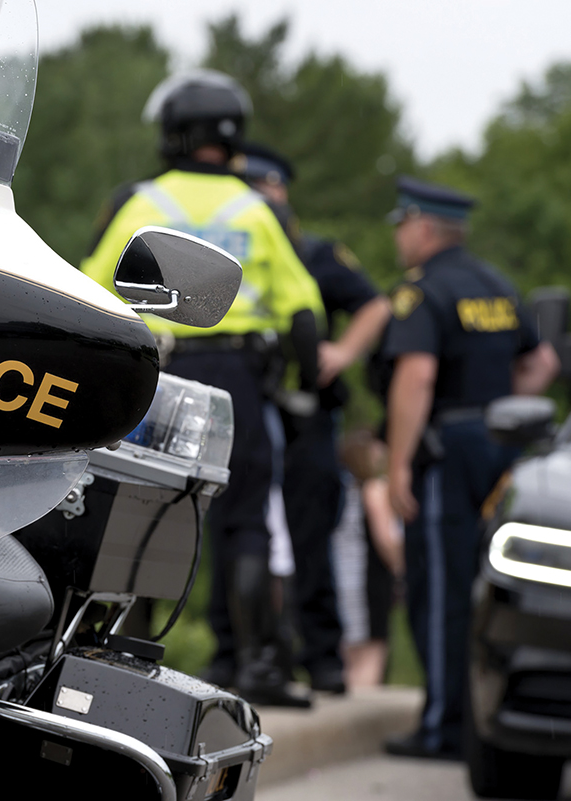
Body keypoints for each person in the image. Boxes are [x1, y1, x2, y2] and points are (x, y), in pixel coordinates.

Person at [81, 71, 325, 706]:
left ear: (172, 132)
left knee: (129, 513)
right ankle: (256, 668)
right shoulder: (261, 211)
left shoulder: (140, 203)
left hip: (158, 377)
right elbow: (304, 313)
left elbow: (87, 284)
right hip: (239, 379)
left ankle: (104, 658)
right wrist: (306, 386)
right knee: (244, 523)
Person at [380, 177, 560, 759]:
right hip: (502, 444)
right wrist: (500, 408)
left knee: (439, 590)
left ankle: (443, 727)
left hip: (447, 452)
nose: (399, 237)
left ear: (425, 228)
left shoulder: (421, 291)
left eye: (402, 225)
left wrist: (399, 463)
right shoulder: (496, 285)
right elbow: (542, 363)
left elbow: (417, 377)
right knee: (492, 586)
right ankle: (484, 719)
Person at [232, 143, 391, 694]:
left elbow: (375, 304)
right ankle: (243, 652)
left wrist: (342, 353)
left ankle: (322, 655)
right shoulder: (233, 248)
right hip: (250, 407)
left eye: (264, 187)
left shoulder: (314, 252)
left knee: (312, 530)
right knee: (240, 531)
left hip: (308, 415)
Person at [334, 428, 403, 690]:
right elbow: (386, 539)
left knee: (349, 657)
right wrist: (403, 569)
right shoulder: (376, 489)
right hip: (368, 582)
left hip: (341, 579)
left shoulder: (344, 489)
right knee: (371, 654)